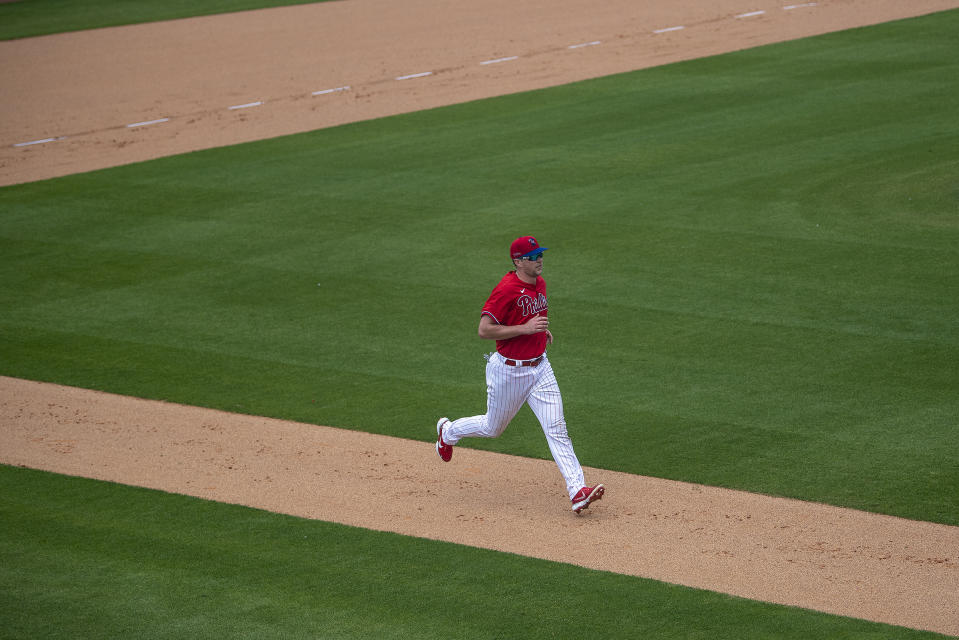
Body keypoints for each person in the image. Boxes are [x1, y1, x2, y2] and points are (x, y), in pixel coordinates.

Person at [435, 235, 605, 514]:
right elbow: (484, 330)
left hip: (540, 368)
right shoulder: (506, 289)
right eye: (533, 256)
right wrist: (525, 329)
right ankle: (448, 432)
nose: (540, 260)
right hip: (509, 372)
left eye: (541, 255)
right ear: (518, 261)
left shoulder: (540, 284)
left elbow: (529, 320)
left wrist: (537, 331)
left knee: (557, 429)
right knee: (493, 428)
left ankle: (577, 491)